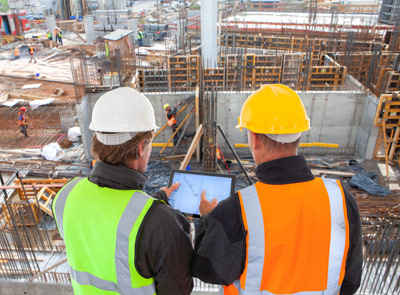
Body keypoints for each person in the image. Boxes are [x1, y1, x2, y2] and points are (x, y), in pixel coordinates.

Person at [191, 84, 363, 295]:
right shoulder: (341, 200)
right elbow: (351, 281)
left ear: (254, 140)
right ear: (299, 136)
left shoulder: (237, 211)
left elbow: (207, 269)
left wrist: (207, 219)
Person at [52, 87, 193, 295]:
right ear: (140, 148)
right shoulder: (163, 224)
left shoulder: (65, 196)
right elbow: (179, 290)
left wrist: (158, 201)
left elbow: (107, 228)